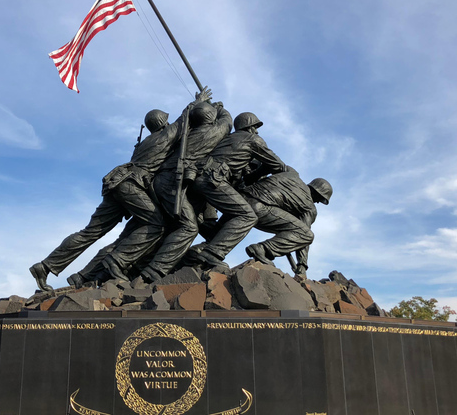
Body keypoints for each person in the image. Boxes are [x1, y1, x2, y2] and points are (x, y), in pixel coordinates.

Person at [29, 89, 211, 292]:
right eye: (166, 122)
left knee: (90, 232)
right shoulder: (164, 136)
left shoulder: (143, 144)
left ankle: (45, 266)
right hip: (131, 185)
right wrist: (198, 102)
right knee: (156, 223)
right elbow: (183, 122)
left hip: (116, 182)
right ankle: (117, 262)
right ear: (163, 123)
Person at [131, 101, 232, 282]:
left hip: (164, 183)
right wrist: (220, 108)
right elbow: (227, 122)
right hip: (172, 182)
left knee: (185, 224)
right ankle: (153, 271)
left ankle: (187, 259)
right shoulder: (210, 132)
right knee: (189, 226)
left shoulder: (181, 137)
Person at [189, 112, 286, 268]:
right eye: (255, 127)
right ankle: (211, 254)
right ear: (248, 127)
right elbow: (278, 165)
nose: (257, 131)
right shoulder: (253, 139)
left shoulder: (227, 139)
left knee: (190, 224)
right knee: (247, 216)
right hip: (213, 179)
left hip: (197, 178)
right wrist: (257, 174)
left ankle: (192, 254)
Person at [241, 168, 332, 278]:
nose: (318, 202)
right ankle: (262, 249)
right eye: (320, 199)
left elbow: (272, 165)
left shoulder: (292, 175)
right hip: (259, 209)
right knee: (307, 235)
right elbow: (303, 235)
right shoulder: (309, 207)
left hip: (241, 198)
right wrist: (302, 266)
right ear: (317, 192)